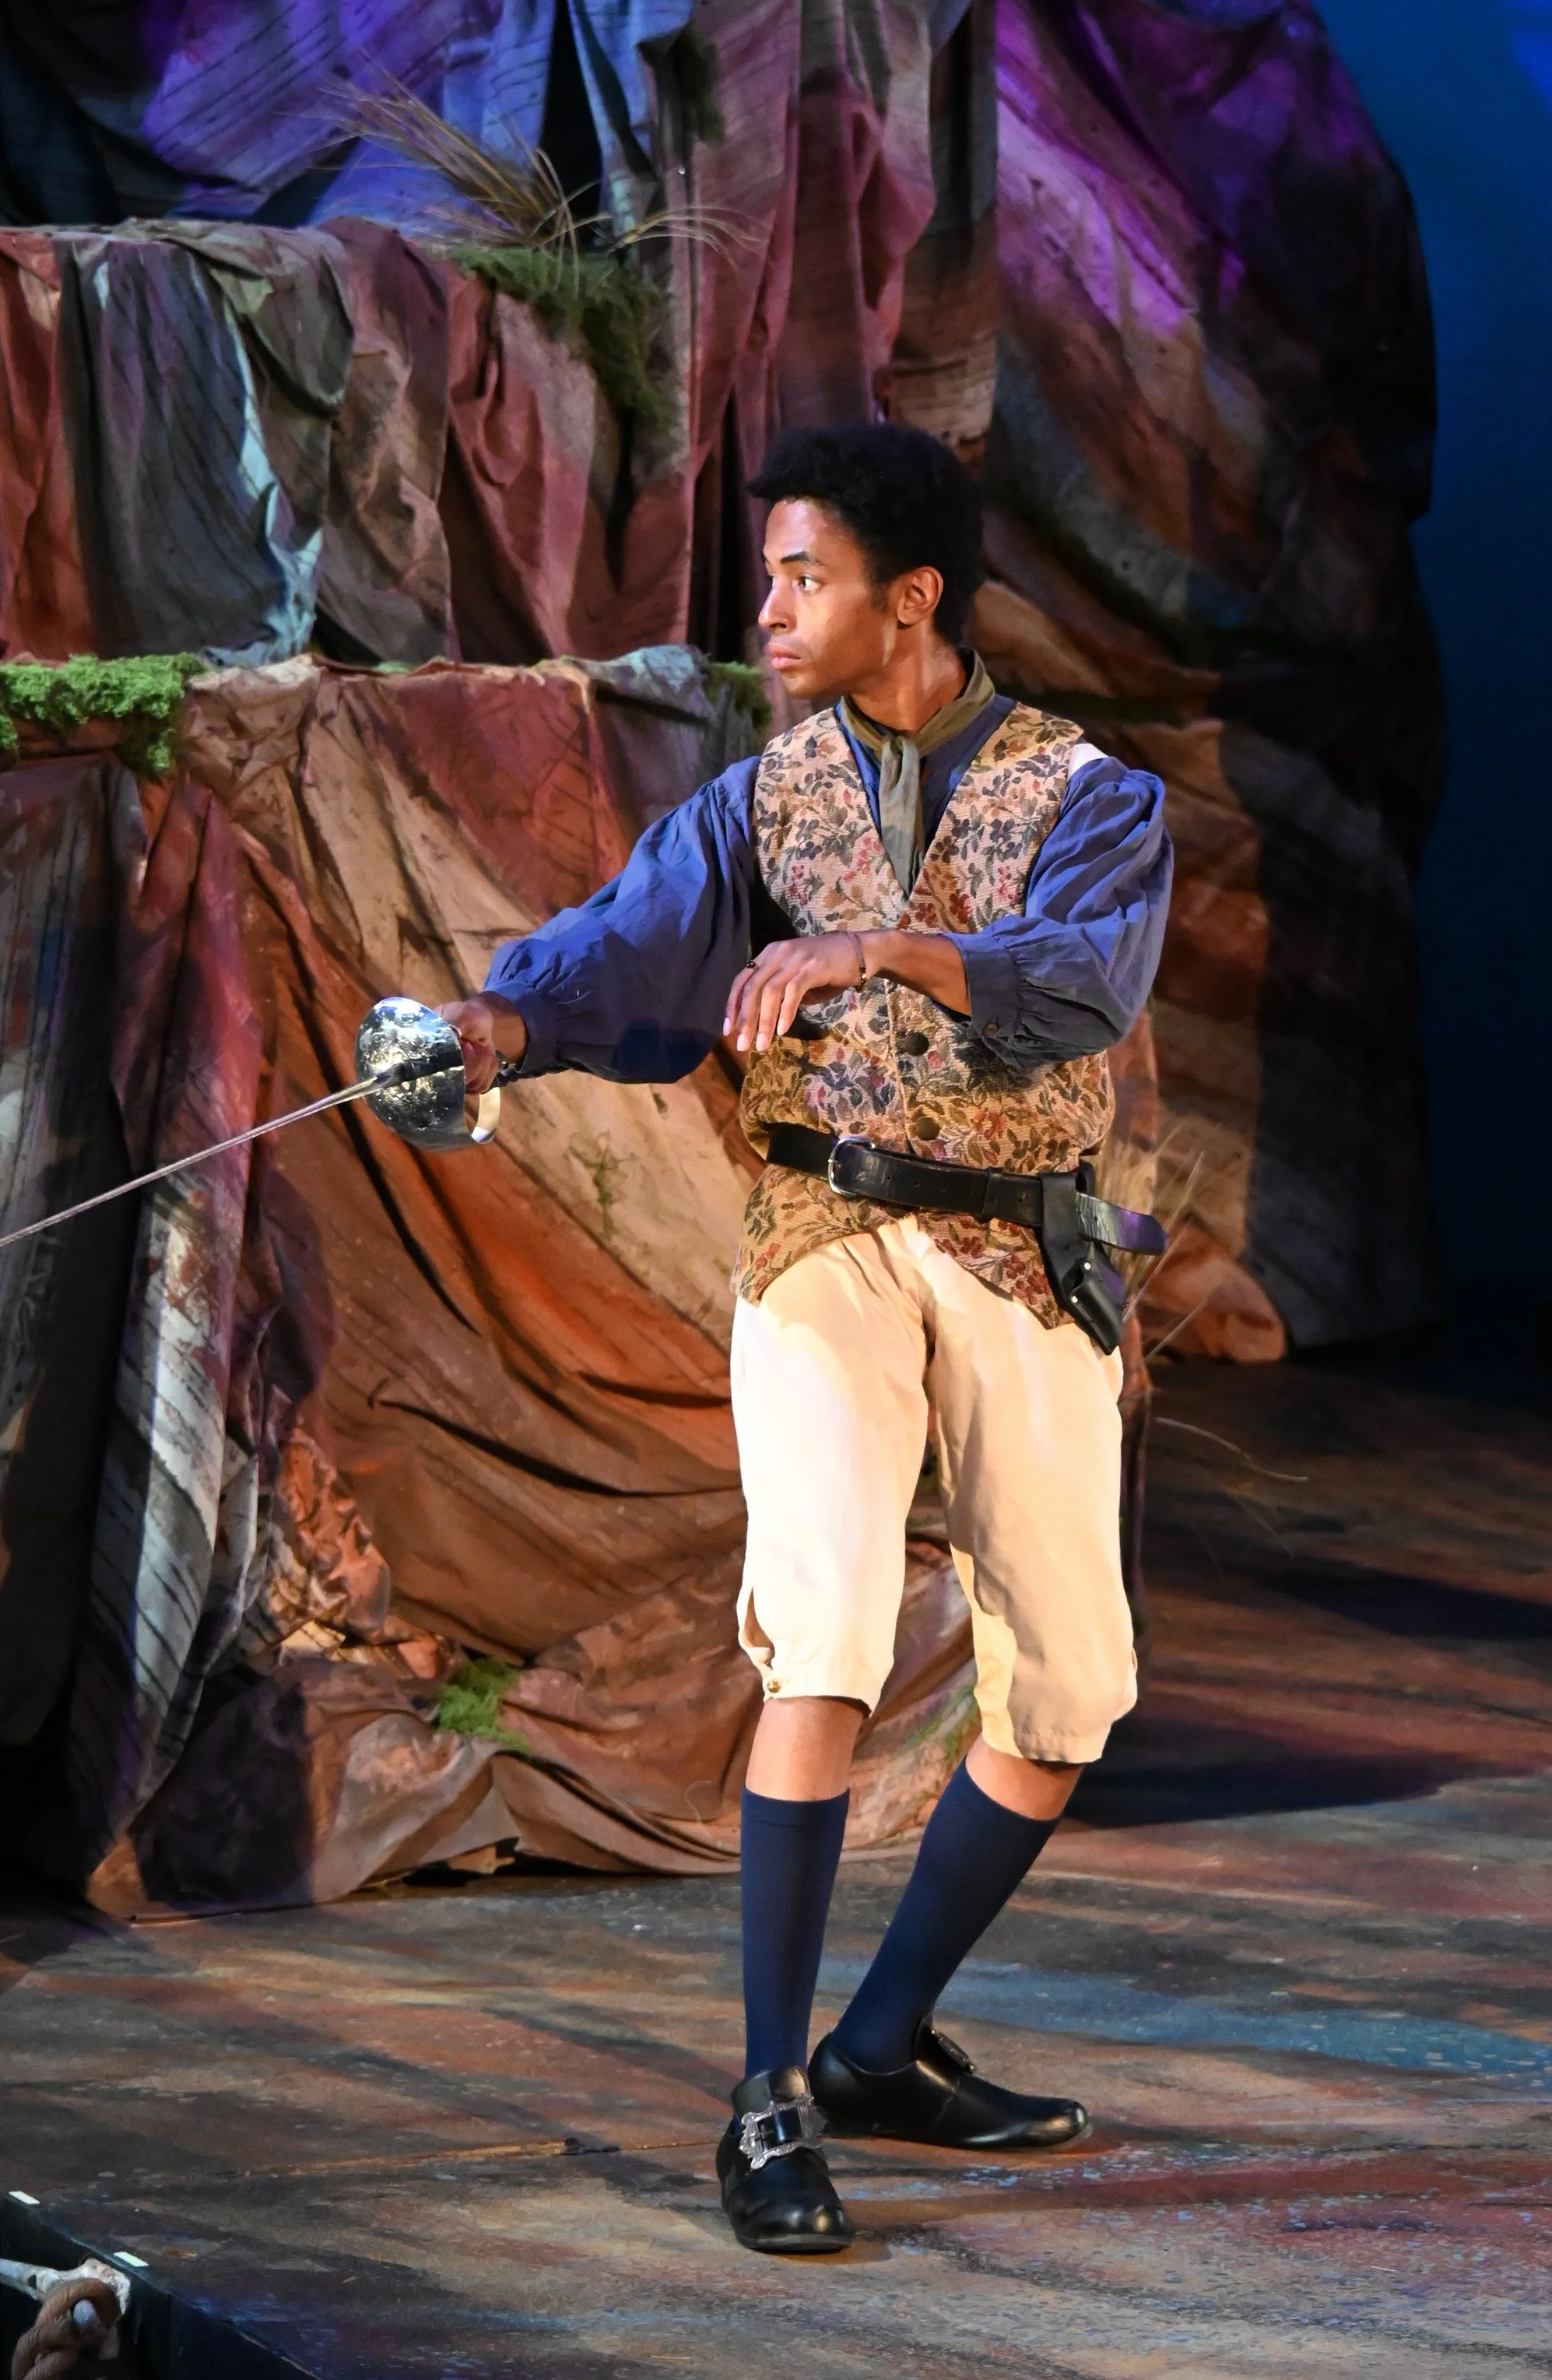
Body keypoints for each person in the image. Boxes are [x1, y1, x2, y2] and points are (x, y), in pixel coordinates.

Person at [441, 421, 1173, 2257]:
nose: (765, 611)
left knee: (1070, 1689)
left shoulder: (1092, 797)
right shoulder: (759, 807)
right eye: (768, 574)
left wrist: (879, 950)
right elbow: (627, 953)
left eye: (800, 577)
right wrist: (489, 1032)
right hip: (827, 1229)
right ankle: (766, 2094)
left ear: (904, 598)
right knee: (826, 1631)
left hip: (1019, 1255)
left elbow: (1083, 981)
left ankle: (877, 2043)